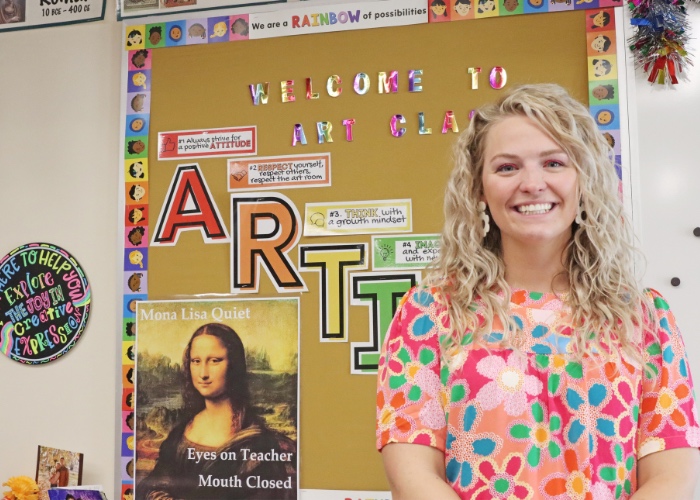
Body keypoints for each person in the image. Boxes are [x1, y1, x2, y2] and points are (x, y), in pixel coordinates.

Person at [376, 84, 700, 499]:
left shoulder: (644, 316)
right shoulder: (429, 313)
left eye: (554, 163)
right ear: (478, 188)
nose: (532, 183)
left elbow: (672, 472)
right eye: (507, 167)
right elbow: (413, 473)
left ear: (584, 178)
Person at [136, 323, 296, 500]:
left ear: (233, 365)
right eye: (196, 361)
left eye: (214, 361)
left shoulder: (258, 444)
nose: (203, 373)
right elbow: (154, 485)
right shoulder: (180, 433)